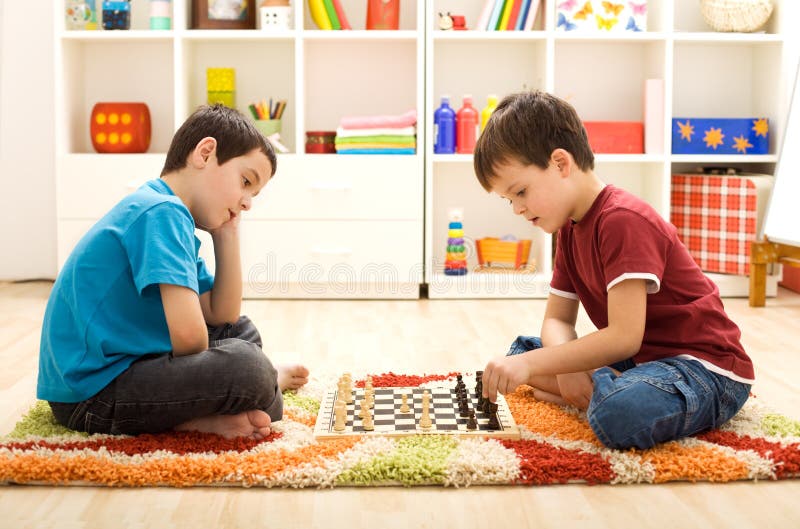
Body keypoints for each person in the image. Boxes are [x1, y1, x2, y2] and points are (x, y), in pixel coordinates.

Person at [473, 91, 753, 449]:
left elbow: (624, 336)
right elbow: (558, 319)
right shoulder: (569, 228)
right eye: (509, 199)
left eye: (521, 192)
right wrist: (567, 367)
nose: (517, 209)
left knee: (615, 412)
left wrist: (548, 366)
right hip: (642, 360)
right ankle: (604, 382)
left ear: (560, 164)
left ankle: (605, 391)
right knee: (521, 353)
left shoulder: (622, 219)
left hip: (703, 368)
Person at [38, 104, 309, 440]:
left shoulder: (167, 211)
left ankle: (236, 398)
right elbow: (191, 340)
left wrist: (227, 236)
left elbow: (221, 315)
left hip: (122, 369)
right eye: (245, 182)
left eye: (253, 194)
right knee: (249, 366)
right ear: (205, 153)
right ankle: (241, 395)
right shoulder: (162, 213)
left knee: (241, 332)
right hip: (93, 394)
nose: (247, 202)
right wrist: (252, 372)